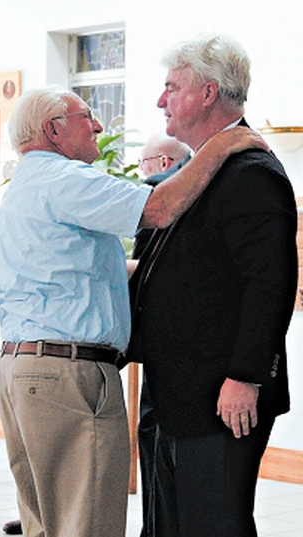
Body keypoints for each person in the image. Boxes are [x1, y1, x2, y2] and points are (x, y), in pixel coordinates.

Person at [0, 86, 267, 537]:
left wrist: (188, 269)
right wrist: (225, 142)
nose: (99, 127)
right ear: (53, 130)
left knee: (50, 526)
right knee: (89, 526)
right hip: (67, 377)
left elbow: (87, 269)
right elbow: (159, 207)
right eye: (87, 116)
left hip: (23, 372)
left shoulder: (27, 184)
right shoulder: (66, 180)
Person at [127, 34, 298, 537]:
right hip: (175, 390)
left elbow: (270, 283)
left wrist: (246, 376)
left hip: (222, 397)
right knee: (168, 527)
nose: (160, 101)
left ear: (206, 93)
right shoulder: (197, 171)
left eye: (170, 87)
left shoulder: (251, 172)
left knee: (213, 526)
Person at [132, 133, 190, 537]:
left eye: (144, 163)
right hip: (174, 353)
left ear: (163, 161)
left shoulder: (162, 196)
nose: (141, 174)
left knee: (157, 448)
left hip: (169, 354)